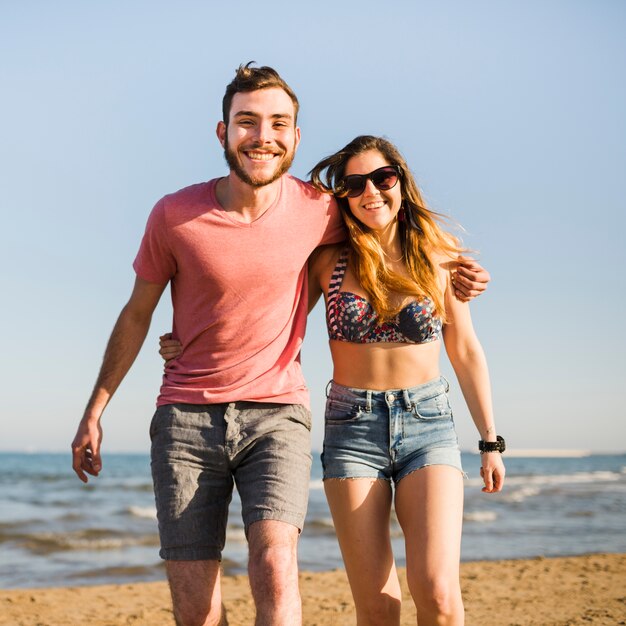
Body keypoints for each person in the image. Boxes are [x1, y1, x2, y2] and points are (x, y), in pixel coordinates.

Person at [72, 62, 490, 626]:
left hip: (334, 415)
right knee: (221, 609)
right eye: (247, 122)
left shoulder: (370, 231)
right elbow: (172, 309)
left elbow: (425, 281)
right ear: (223, 132)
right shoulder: (205, 219)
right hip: (257, 419)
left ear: (294, 135)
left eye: (277, 123)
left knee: (312, 569)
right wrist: (128, 384)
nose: (262, 136)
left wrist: (463, 275)